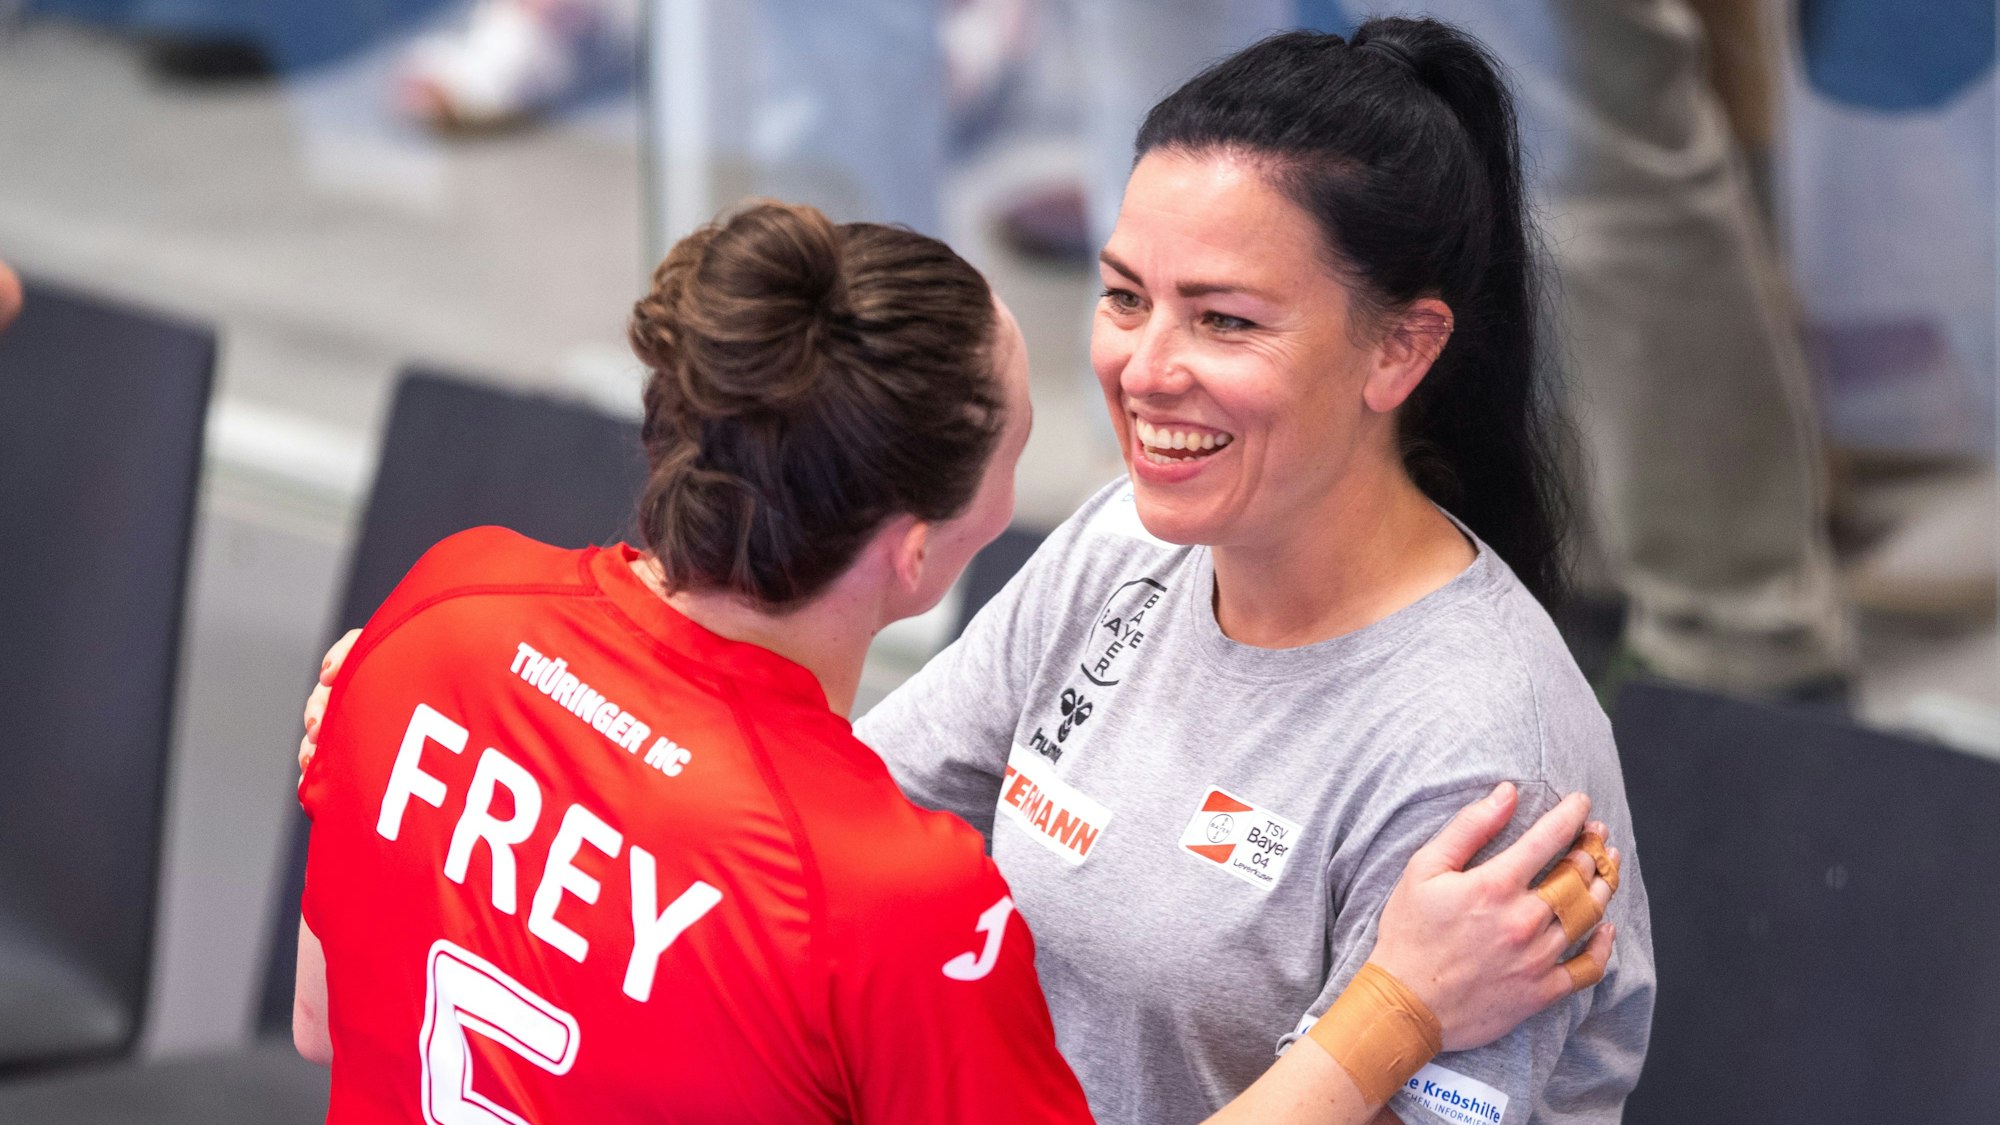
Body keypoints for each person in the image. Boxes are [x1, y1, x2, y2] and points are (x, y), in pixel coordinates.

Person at [295, 200, 1618, 1122]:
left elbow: (323, 1022)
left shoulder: (442, 611)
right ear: (922, 555)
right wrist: (1396, 1005)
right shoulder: (890, 904)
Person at [853, 20, 1653, 1124]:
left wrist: (1388, 1020)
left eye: (1223, 320)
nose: (1143, 370)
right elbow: (843, 832)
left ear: (1399, 351)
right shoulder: (1122, 546)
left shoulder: (1479, 765)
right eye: (1125, 296)